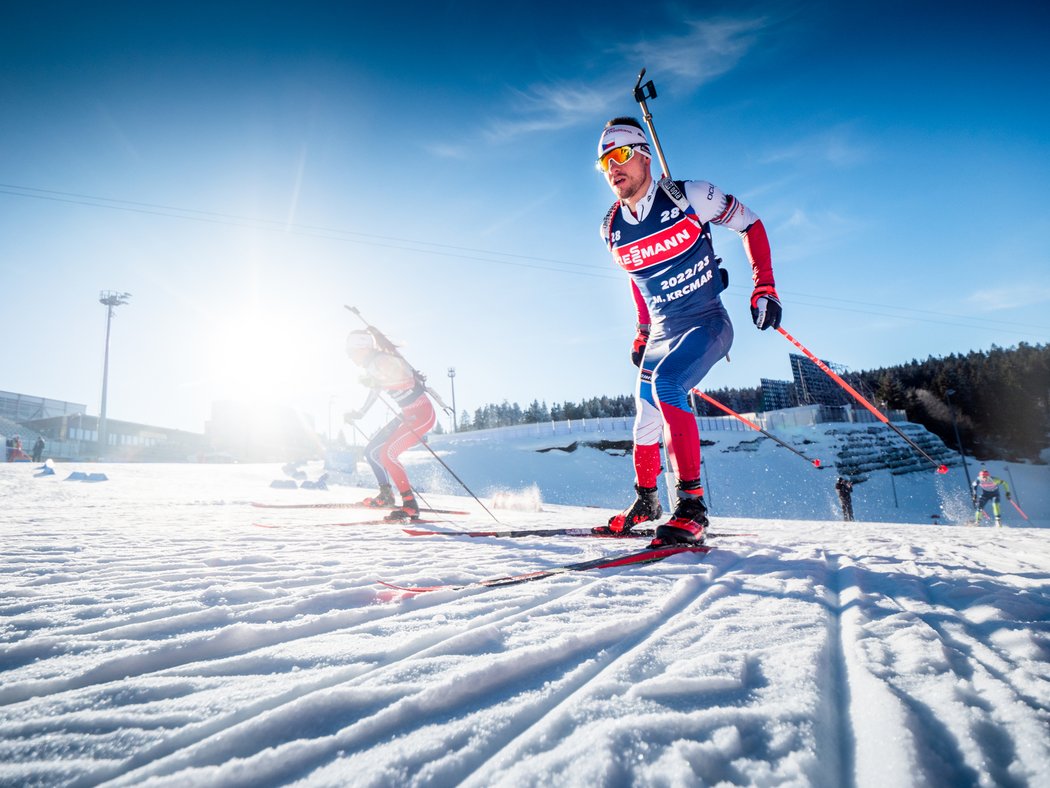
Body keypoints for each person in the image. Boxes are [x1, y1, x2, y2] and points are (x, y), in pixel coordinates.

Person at [593, 118, 781, 546]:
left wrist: (764, 284)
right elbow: (635, 276)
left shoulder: (689, 195)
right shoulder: (610, 228)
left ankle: (692, 508)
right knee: (644, 410)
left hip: (706, 322)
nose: (613, 168)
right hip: (661, 331)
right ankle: (646, 500)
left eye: (620, 155)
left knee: (668, 384)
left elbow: (750, 225)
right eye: (604, 162)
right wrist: (643, 331)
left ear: (644, 155)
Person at [343, 329, 437, 521]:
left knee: (388, 454)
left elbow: (407, 379)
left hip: (421, 414)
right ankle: (386, 496)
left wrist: (379, 382)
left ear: (363, 348)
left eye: (351, 352)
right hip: (407, 415)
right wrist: (360, 413)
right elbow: (375, 390)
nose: (351, 358)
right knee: (371, 452)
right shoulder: (372, 365)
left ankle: (410, 505)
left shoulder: (382, 360)